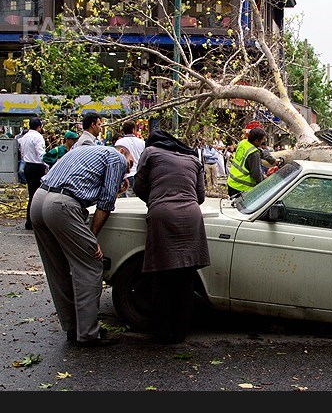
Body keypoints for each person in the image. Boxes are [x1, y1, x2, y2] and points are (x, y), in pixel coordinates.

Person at [30, 145, 133, 347]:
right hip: (60, 206)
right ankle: (88, 333)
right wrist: (92, 238)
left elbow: (80, 187)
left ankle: (72, 327)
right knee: (90, 265)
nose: (127, 170)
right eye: (129, 164)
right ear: (122, 152)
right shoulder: (116, 158)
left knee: (58, 268)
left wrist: (115, 188)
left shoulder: (85, 151)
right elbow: (105, 203)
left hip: (39, 199)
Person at [133, 130, 210, 344]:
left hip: (162, 216)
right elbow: (200, 196)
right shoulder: (193, 158)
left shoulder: (150, 153)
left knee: (161, 275)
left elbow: (138, 187)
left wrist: (156, 199)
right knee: (186, 277)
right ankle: (179, 334)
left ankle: (160, 332)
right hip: (192, 217)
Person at [17, 117, 47, 230]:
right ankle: (35, 221)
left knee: (31, 194)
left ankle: (29, 221)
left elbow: (23, 153)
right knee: (38, 196)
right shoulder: (38, 137)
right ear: (39, 127)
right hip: (37, 167)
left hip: (28, 166)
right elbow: (41, 154)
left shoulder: (24, 137)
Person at [226, 127, 268, 197]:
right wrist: (264, 181)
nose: (262, 142)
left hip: (232, 183)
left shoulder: (243, 143)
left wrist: (273, 160)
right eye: (262, 140)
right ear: (256, 141)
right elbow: (256, 175)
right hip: (242, 188)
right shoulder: (254, 153)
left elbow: (261, 152)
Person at [115, 120, 145, 197]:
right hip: (139, 175)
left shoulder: (119, 143)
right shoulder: (142, 142)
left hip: (125, 176)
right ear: (133, 130)